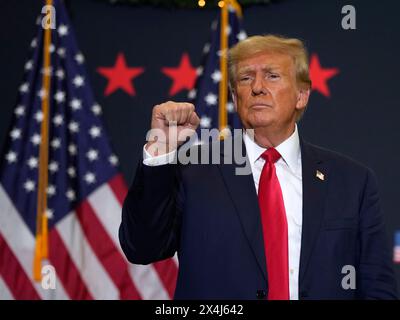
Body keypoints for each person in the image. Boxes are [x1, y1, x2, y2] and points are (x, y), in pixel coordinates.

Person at [119, 35, 398, 299]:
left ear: (302, 95)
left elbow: (377, 286)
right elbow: (142, 248)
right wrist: (161, 150)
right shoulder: (194, 170)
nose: (257, 87)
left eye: (272, 76)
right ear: (234, 96)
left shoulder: (352, 181)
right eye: (245, 78)